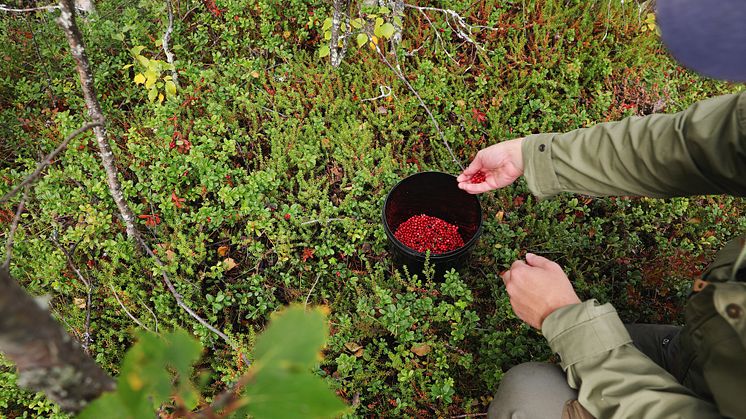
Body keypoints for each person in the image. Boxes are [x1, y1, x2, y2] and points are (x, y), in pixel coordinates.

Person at [456, 1, 746, 417]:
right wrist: (536, 156)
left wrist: (566, 320)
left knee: (529, 391)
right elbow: (688, 146)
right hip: (709, 351)